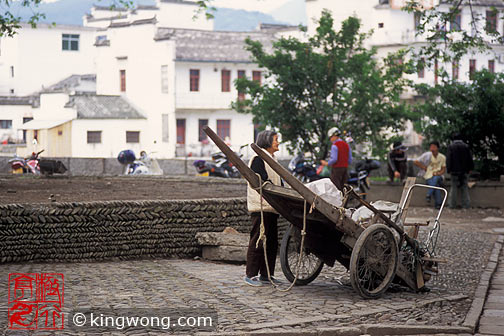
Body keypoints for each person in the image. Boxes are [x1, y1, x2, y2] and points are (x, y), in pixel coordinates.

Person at [244, 130, 283, 287]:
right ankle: (250, 275)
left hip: (271, 207)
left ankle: (267, 275)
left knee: (272, 242)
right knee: (258, 240)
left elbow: (280, 183)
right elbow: (262, 181)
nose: (278, 142)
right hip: (261, 206)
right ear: (267, 141)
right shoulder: (258, 159)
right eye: (275, 139)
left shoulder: (273, 160)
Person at [414, 141, 446, 209]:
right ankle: (438, 203)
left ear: (437, 148)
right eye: (431, 146)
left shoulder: (442, 157)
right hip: (428, 175)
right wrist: (423, 167)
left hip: (438, 175)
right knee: (436, 185)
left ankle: (429, 194)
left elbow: (443, 169)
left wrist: (438, 173)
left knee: (436, 178)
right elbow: (416, 161)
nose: (432, 148)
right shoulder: (427, 155)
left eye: (434, 147)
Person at [320, 127, 352, 191]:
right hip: (345, 169)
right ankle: (343, 200)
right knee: (343, 187)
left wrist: (326, 163)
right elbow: (350, 159)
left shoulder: (335, 145)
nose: (330, 139)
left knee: (335, 188)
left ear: (334, 136)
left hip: (336, 169)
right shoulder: (346, 145)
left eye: (331, 137)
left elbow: (334, 159)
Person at [447, 134, 474, 209]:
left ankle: (452, 205)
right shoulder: (466, 146)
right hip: (464, 170)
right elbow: (470, 159)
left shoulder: (451, 147)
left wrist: (449, 169)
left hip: (454, 171)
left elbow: (449, 159)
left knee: (454, 187)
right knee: (464, 187)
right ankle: (466, 205)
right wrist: (470, 168)